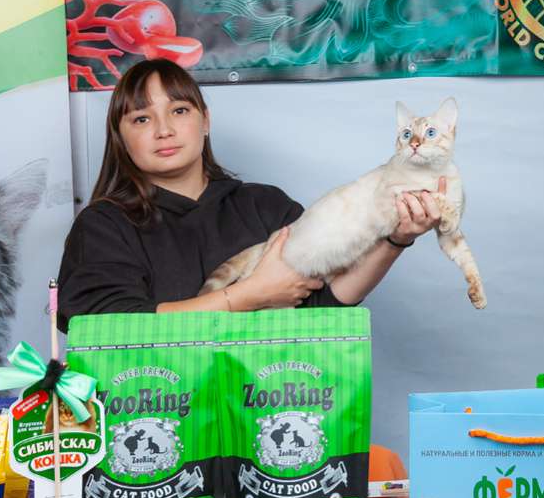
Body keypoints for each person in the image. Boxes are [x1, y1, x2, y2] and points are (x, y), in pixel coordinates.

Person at [57, 59, 443, 332]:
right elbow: (110, 330)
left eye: (179, 111)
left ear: (205, 120)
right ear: (120, 137)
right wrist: (250, 294)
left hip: (262, 408)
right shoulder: (103, 226)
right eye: (141, 118)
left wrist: (395, 240)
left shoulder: (266, 207)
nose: (164, 130)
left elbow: (324, 305)